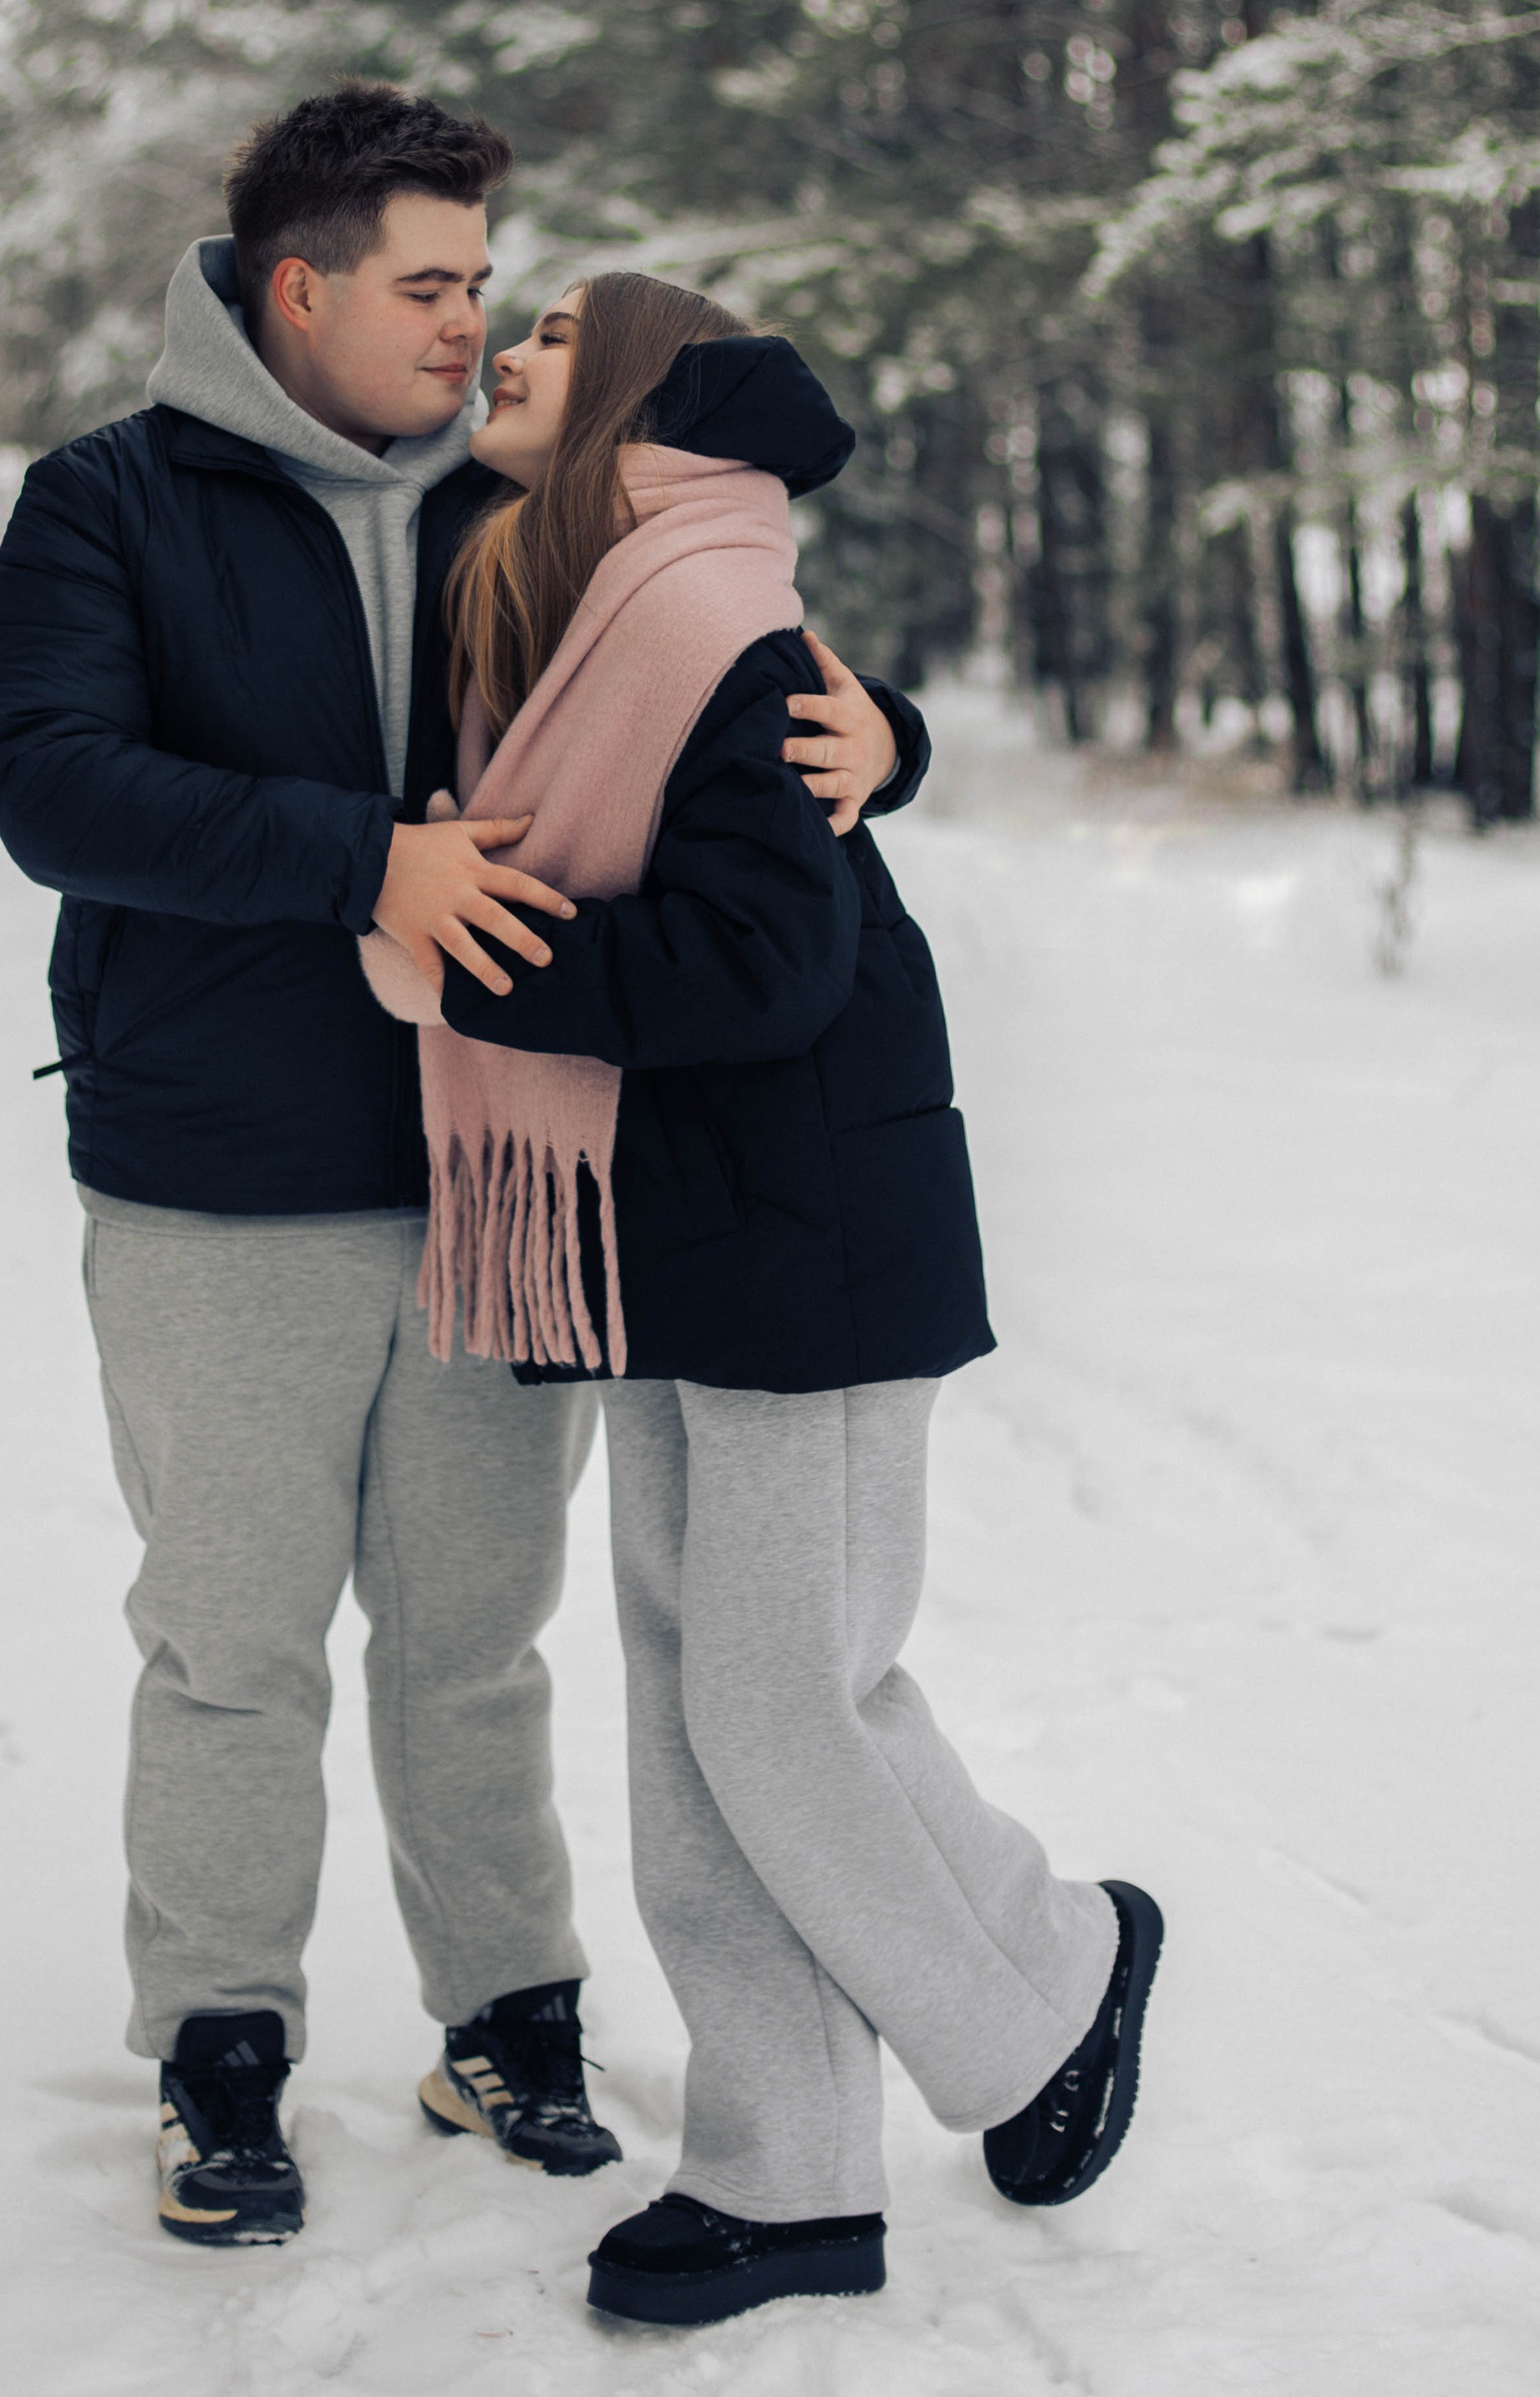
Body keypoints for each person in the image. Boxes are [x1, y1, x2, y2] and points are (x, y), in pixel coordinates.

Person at [0, 84, 924, 2247]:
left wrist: (903, 736)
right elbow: (55, 786)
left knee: (477, 1639)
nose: (466, 326)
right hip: (218, 1175)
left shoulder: (531, 506)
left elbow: (733, 683)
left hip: (506, 1182)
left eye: (488, 287)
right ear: (296, 291)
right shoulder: (108, 502)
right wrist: (361, 864)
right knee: (231, 1644)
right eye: (429, 286)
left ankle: (512, 2017)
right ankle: (221, 2051)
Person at [361, 269, 1163, 2331]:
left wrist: (476, 965)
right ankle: (783, 2172)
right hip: (674, 1230)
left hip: (805, 1228)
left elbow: (757, 966)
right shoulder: (593, 601)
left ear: (637, 402)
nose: (502, 357)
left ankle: (1042, 1984)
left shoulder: (710, 623)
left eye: (548, 336)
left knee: (780, 1700)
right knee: (693, 1711)